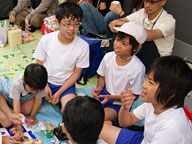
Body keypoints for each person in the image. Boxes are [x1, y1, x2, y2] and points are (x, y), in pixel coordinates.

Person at [99, 56, 192, 144]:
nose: (144, 85)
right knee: (96, 128)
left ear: (171, 94)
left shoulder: (171, 128)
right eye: (146, 79)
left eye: (151, 83)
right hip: (144, 139)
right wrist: (125, 108)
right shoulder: (154, 103)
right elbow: (125, 122)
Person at [33, 2, 89, 113]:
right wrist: (44, 85)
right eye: (67, 24)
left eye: (76, 24)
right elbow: (38, 65)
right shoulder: (47, 39)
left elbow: (77, 73)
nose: (72, 29)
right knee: (27, 108)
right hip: (44, 81)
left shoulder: (83, 46)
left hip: (65, 85)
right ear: (57, 23)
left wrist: (59, 92)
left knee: (70, 111)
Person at [92, 22, 146, 121]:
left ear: (136, 48)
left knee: (98, 118)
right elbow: (102, 77)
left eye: (124, 43)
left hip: (119, 103)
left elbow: (134, 96)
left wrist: (112, 97)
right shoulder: (108, 57)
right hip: (104, 95)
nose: (117, 45)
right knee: (85, 111)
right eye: (117, 40)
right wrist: (98, 90)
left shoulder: (137, 67)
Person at [109, 0, 176, 69]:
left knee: (143, 40)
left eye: (152, 2)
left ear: (163, 2)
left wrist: (126, 26)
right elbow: (124, 20)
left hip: (158, 60)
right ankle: (111, 63)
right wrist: (116, 23)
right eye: (145, 1)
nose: (147, 5)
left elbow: (149, 35)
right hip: (140, 51)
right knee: (121, 33)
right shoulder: (142, 12)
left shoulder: (169, 21)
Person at [0, 63, 48, 141]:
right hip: (6, 96)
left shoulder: (40, 84)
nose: (35, 92)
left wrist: (32, 116)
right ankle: (8, 110)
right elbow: (16, 105)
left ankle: (9, 111)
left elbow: (38, 99)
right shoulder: (16, 84)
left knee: (27, 110)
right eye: (32, 90)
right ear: (23, 80)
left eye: (37, 91)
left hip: (21, 97)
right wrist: (19, 128)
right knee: (8, 121)